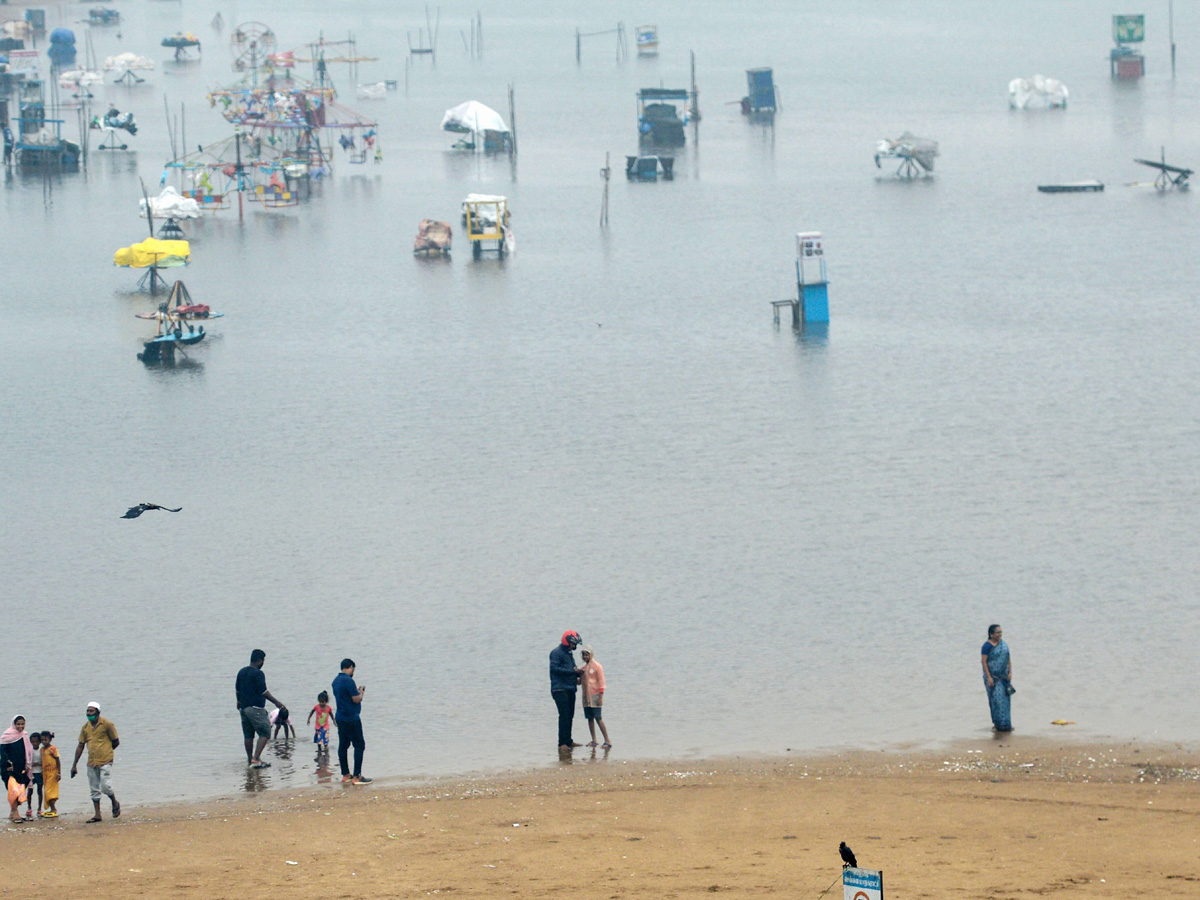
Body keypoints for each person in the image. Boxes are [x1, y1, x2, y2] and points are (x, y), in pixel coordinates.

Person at [235, 649, 287, 768]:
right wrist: (277, 703)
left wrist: (238, 701)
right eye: (263, 660)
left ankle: (250, 760)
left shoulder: (241, 672)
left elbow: (237, 690)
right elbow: (264, 692)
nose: (263, 663)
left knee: (248, 735)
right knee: (265, 732)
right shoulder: (258, 673)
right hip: (256, 708)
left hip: (243, 708)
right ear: (259, 660)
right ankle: (256, 758)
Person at [70, 702, 120, 823]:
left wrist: (106, 750)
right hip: (92, 762)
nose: (89, 714)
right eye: (87, 711)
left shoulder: (107, 724)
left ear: (98, 712)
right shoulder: (85, 728)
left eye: (91, 711)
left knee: (106, 786)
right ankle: (97, 814)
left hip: (105, 761)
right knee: (94, 789)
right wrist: (74, 765)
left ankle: (114, 801)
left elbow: (116, 741)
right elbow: (81, 745)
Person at [332, 659, 371, 784]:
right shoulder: (348, 680)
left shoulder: (335, 681)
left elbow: (344, 696)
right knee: (359, 745)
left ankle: (345, 774)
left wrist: (355, 690)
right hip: (351, 717)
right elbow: (355, 699)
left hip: (340, 717)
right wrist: (361, 694)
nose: (353, 672)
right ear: (349, 667)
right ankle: (357, 776)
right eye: (353, 669)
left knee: (343, 744)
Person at [549, 631, 583, 752]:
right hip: (559, 689)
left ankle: (568, 740)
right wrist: (573, 672)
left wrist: (577, 675)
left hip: (570, 688)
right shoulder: (556, 653)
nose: (575, 646)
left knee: (570, 715)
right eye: (574, 644)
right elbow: (555, 669)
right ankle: (562, 743)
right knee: (564, 715)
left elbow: (571, 670)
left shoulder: (569, 654)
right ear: (567, 642)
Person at [981, 624, 1014, 733]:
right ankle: (998, 725)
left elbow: (1008, 657)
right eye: (997, 632)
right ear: (991, 634)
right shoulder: (987, 646)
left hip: (1004, 677)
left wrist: (1010, 672)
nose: (1000, 634)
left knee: (1005, 701)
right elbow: (984, 662)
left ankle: (1006, 725)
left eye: (1001, 632)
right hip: (993, 679)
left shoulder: (1003, 645)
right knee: (996, 701)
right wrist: (989, 677)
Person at [1, 715, 32, 824]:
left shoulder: (24, 735)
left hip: (22, 768)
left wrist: (28, 764)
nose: (20, 726)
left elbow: (27, 752)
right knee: (14, 790)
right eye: (18, 724)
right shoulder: (6, 736)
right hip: (9, 768)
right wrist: (8, 764)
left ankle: (12, 811)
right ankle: (16, 813)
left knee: (21, 790)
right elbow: (2, 752)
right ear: (14, 724)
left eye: (22, 724)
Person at [580, 646, 611, 749]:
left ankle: (607, 740)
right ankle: (594, 740)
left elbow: (602, 682)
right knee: (590, 718)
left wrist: (601, 696)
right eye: (583, 655)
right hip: (586, 697)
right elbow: (579, 682)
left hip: (595, 695)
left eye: (587, 654)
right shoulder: (583, 668)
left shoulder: (597, 666)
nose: (585, 657)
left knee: (598, 718)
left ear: (591, 655)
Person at [307, 691, 335, 757]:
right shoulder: (317, 707)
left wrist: (334, 721)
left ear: (326, 701)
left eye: (323, 702)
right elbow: (312, 712)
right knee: (319, 740)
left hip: (326, 726)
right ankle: (319, 750)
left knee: (326, 739)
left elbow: (331, 715)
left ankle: (326, 749)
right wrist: (309, 719)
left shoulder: (328, 708)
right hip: (318, 726)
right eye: (320, 702)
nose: (321, 704)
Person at [39, 731, 60, 818]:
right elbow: (42, 761)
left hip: (53, 773)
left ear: (50, 739)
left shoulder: (53, 749)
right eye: (42, 740)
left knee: (49, 792)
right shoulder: (42, 750)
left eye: (46, 740)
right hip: (45, 773)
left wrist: (59, 773)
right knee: (46, 791)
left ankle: (54, 808)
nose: (44, 741)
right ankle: (51, 808)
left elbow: (58, 760)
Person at [26, 731, 42, 819]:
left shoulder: (42, 750)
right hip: (31, 773)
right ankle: (29, 808)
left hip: (39, 773)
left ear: (40, 742)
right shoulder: (29, 751)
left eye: (36, 742)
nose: (34, 743)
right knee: (30, 791)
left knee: (39, 790)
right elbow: (27, 761)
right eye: (32, 742)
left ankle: (39, 808)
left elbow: (45, 761)